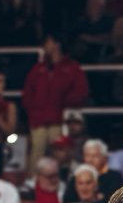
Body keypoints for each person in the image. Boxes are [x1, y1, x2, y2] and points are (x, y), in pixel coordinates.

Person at [21, 34, 89, 169]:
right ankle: (34, 184)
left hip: (60, 120)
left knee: (60, 155)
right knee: (36, 155)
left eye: (48, 42)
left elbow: (81, 91)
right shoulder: (38, 69)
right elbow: (27, 93)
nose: (45, 46)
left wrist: (65, 104)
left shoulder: (72, 67)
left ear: (57, 44)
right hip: (38, 121)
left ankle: (60, 183)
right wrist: (33, 112)